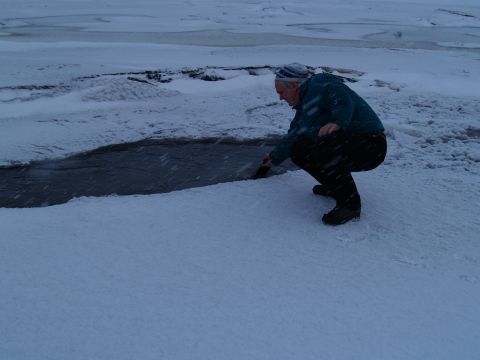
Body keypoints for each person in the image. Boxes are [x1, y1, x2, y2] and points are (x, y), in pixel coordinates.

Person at [256, 63, 387, 225]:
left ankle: (350, 205)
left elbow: (342, 97)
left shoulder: (320, 85)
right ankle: (335, 187)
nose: (280, 98)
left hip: (371, 145)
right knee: (299, 149)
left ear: (294, 85)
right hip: (353, 144)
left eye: (281, 92)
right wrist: (273, 158)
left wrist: (339, 121)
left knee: (324, 149)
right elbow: (293, 136)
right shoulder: (305, 108)